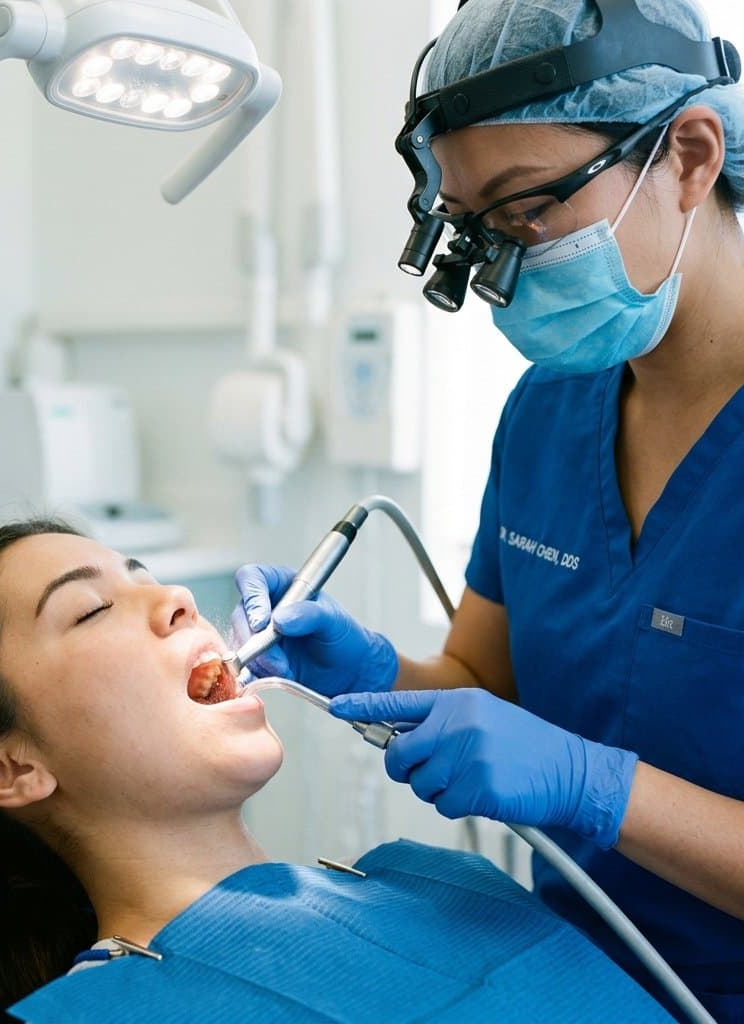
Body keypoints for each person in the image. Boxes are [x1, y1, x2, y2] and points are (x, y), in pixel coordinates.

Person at [233, 0, 744, 1020]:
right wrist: (374, 668)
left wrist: (595, 787)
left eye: (526, 210)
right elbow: (481, 676)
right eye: (475, 229)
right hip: (569, 969)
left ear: (689, 156)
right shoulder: (549, 411)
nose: (504, 271)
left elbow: (567, 768)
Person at [0, 520, 671, 1022]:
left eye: (147, 574)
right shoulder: (101, 1011)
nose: (177, 596)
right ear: (8, 769)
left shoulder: (435, 880)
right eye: (93, 607)